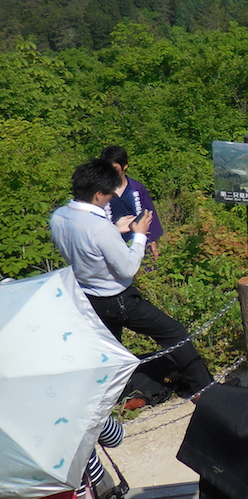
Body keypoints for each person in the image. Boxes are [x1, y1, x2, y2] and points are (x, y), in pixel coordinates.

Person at [49, 159, 213, 404]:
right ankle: (205, 391)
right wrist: (138, 236)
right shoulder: (97, 226)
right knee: (174, 333)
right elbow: (128, 267)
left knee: (110, 353)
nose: (112, 197)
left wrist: (115, 230)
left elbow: (85, 250)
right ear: (97, 194)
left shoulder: (59, 217)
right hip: (119, 299)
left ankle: (115, 401)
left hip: (86, 296)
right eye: (109, 193)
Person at [98, 146, 164, 260]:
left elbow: (149, 214)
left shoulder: (137, 188)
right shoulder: (99, 192)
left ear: (125, 166)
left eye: (114, 168)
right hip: (111, 248)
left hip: (140, 243)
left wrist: (152, 243)